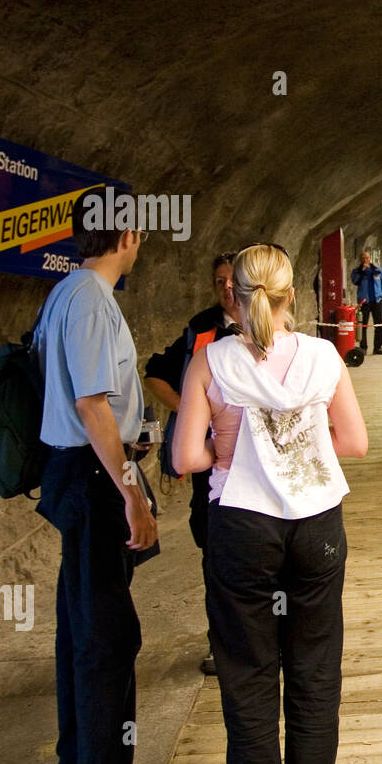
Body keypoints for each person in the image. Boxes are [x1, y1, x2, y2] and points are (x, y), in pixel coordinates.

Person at [174, 244, 369, 764]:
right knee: (315, 668)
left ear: (231, 295)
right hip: (316, 528)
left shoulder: (208, 360)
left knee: (248, 673)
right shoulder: (324, 356)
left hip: (241, 528)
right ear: (291, 296)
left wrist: (228, 453)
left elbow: (186, 456)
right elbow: (354, 443)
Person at [32, 193, 160, 764]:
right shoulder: (87, 300)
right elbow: (90, 403)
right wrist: (131, 491)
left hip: (83, 474)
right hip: (93, 479)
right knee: (106, 637)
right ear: (126, 234)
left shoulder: (68, 293)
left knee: (85, 629)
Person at [143, 251, 242, 675]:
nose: (225, 287)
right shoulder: (201, 328)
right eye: (218, 280)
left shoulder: (271, 325)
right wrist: (191, 411)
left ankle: (264, 640)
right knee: (214, 552)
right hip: (211, 466)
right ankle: (222, 644)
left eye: (231, 279)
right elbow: (154, 373)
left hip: (258, 464)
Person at [349, 250, 382, 354]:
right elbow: (354, 281)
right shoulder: (357, 271)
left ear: (370, 258)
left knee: (379, 325)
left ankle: (378, 347)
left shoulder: (377, 270)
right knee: (363, 325)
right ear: (360, 260)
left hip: (377, 300)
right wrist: (362, 272)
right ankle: (363, 347)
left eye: (366, 258)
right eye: (363, 258)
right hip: (364, 302)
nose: (365, 260)